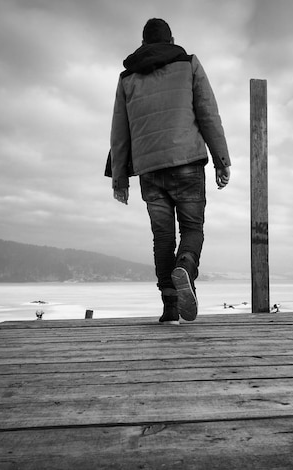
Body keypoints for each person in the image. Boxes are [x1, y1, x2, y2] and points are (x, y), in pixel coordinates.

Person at [110, 18, 231, 325]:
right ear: (171, 39)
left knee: (162, 238)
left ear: (143, 43)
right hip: (187, 161)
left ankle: (169, 308)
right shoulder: (189, 65)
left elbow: (120, 132)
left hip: (150, 170)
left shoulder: (127, 79)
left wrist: (120, 179)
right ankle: (186, 270)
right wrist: (221, 159)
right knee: (192, 229)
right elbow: (207, 113)